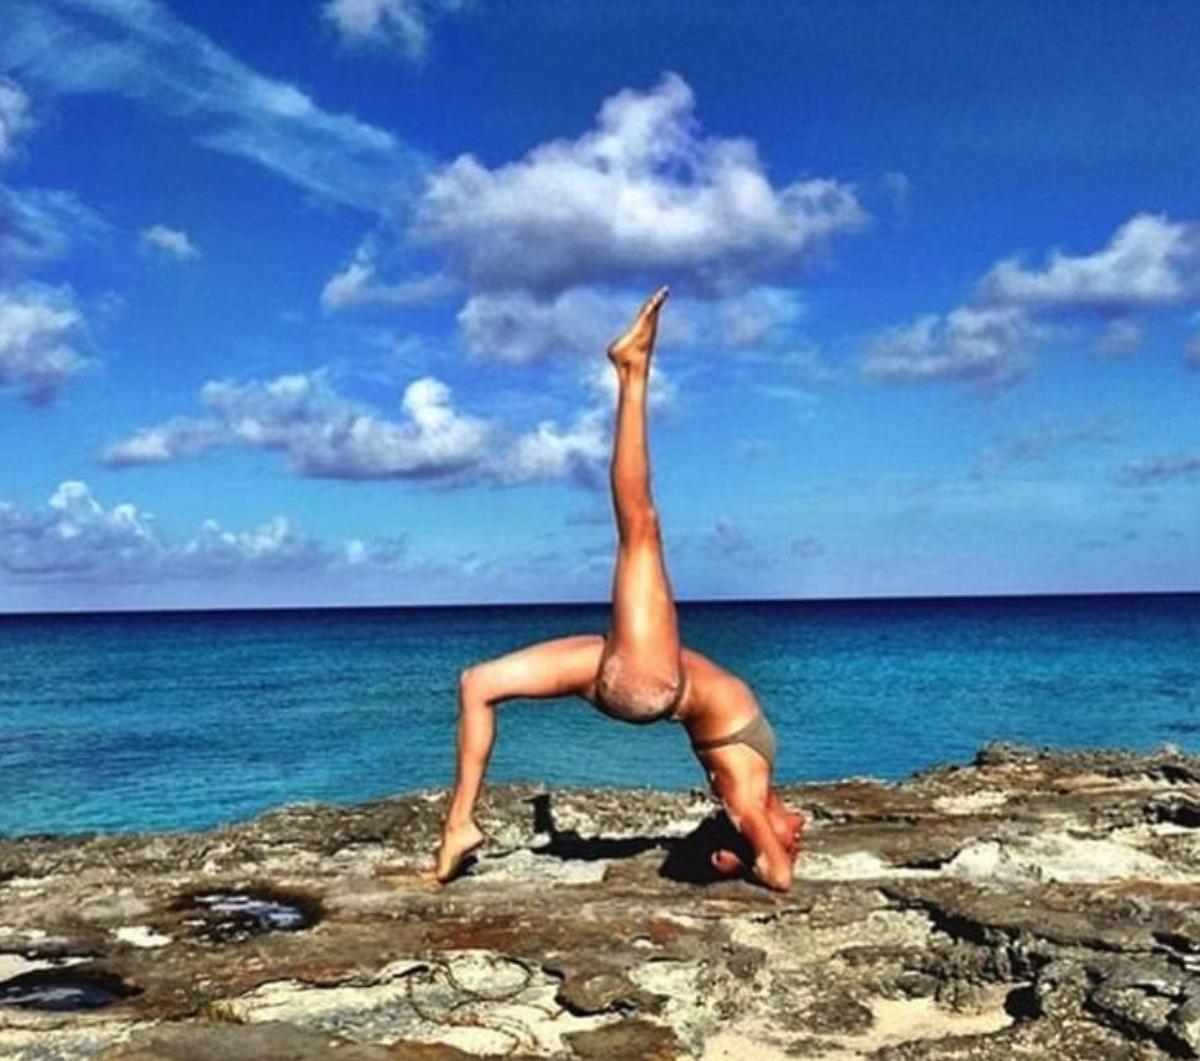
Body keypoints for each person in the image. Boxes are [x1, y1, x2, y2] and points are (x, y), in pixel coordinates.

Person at [430, 286, 804, 891]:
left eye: (795, 841)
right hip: (629, 666)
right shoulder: (759, 800)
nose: (799, 837)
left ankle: (633, 373)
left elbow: (780, 877)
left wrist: (758, 847)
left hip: (653, 680)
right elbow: (778, 850)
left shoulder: (746, 807)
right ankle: (458, 828)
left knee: (641, 529)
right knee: (478, 684)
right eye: (793, 839)